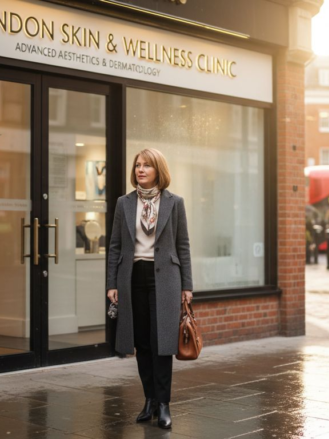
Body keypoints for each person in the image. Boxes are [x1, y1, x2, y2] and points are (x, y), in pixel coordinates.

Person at [106, 148, 193, 430]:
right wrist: (111, 283)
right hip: (132, 276)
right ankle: (149, 401)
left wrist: (187, 286)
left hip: (165, 278)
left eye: (146, 166)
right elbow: (115, 246)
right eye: (137, 165)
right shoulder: (124, 203)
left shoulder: (174, 203)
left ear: (158, 170)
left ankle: (164, 403)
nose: (140, 170)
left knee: (162, 343)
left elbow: (183, 246)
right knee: (142, 341)